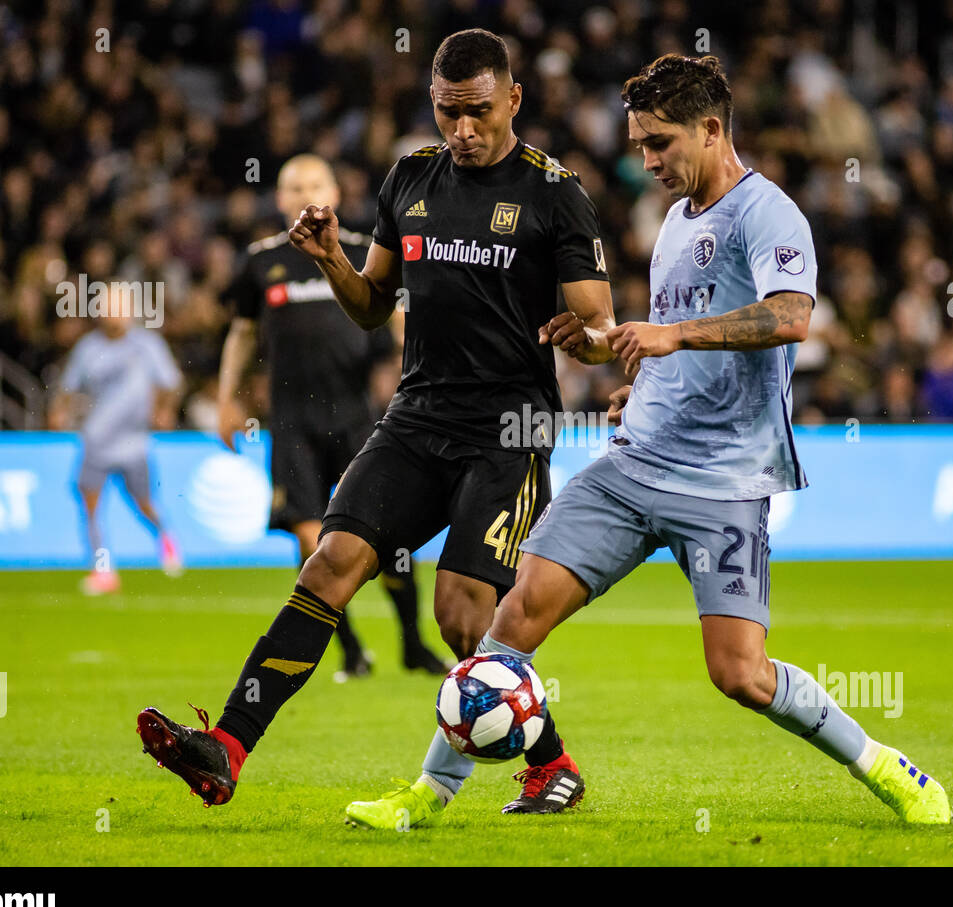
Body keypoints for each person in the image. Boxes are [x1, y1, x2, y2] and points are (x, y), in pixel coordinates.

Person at [355, 54, 951, 828]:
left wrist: (672, 336)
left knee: (738, 673)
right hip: (634, 464)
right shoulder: (675, 222)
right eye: (639, 144)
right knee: (513, 617)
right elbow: (679, 346)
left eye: (660, 143)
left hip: (725, 481)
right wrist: (630, 369)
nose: (647, 162)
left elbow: (790, 316)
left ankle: (881, 764)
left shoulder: (766, 212)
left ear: (710, 129)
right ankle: (426, 798)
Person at [136, 29, 617, 813]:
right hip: (415, 417)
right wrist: (331, 257)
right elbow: (370, 309)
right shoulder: (408, 180)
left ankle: (551, 764)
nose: (462, 130)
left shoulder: (553, 191)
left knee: (463, 618)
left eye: (480, 113)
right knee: (328, 565)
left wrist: (587, 340)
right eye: (448, 112)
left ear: (514, 101)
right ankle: (224, 748)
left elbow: (599, 327)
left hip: (509, 429)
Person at [219, 153, 446, 680]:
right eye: (293, 186)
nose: (303, 194)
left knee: (387, 539)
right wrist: (228, 398)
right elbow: (241, 333)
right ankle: (350, 651)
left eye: (314, 184)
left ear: (335, 194)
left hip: (359, 418)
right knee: (310, 539)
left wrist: (415, 379)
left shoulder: (365, 252)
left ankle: (412, 643)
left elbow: (398, 321)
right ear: (279, 199)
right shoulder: (260, 262)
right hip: (291, 422)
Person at [49, 284, 182, 594]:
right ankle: (103, 568)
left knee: (144, 504)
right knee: (91, 506)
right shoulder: (87, 348)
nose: (113, 314)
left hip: (134, 443)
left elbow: (171, 382)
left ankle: (165, 536)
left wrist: (164, 410)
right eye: (108, 307)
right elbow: (69, 388)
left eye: (119, 308)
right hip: (96, 441)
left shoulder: (147, 345)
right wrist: (58, 412)